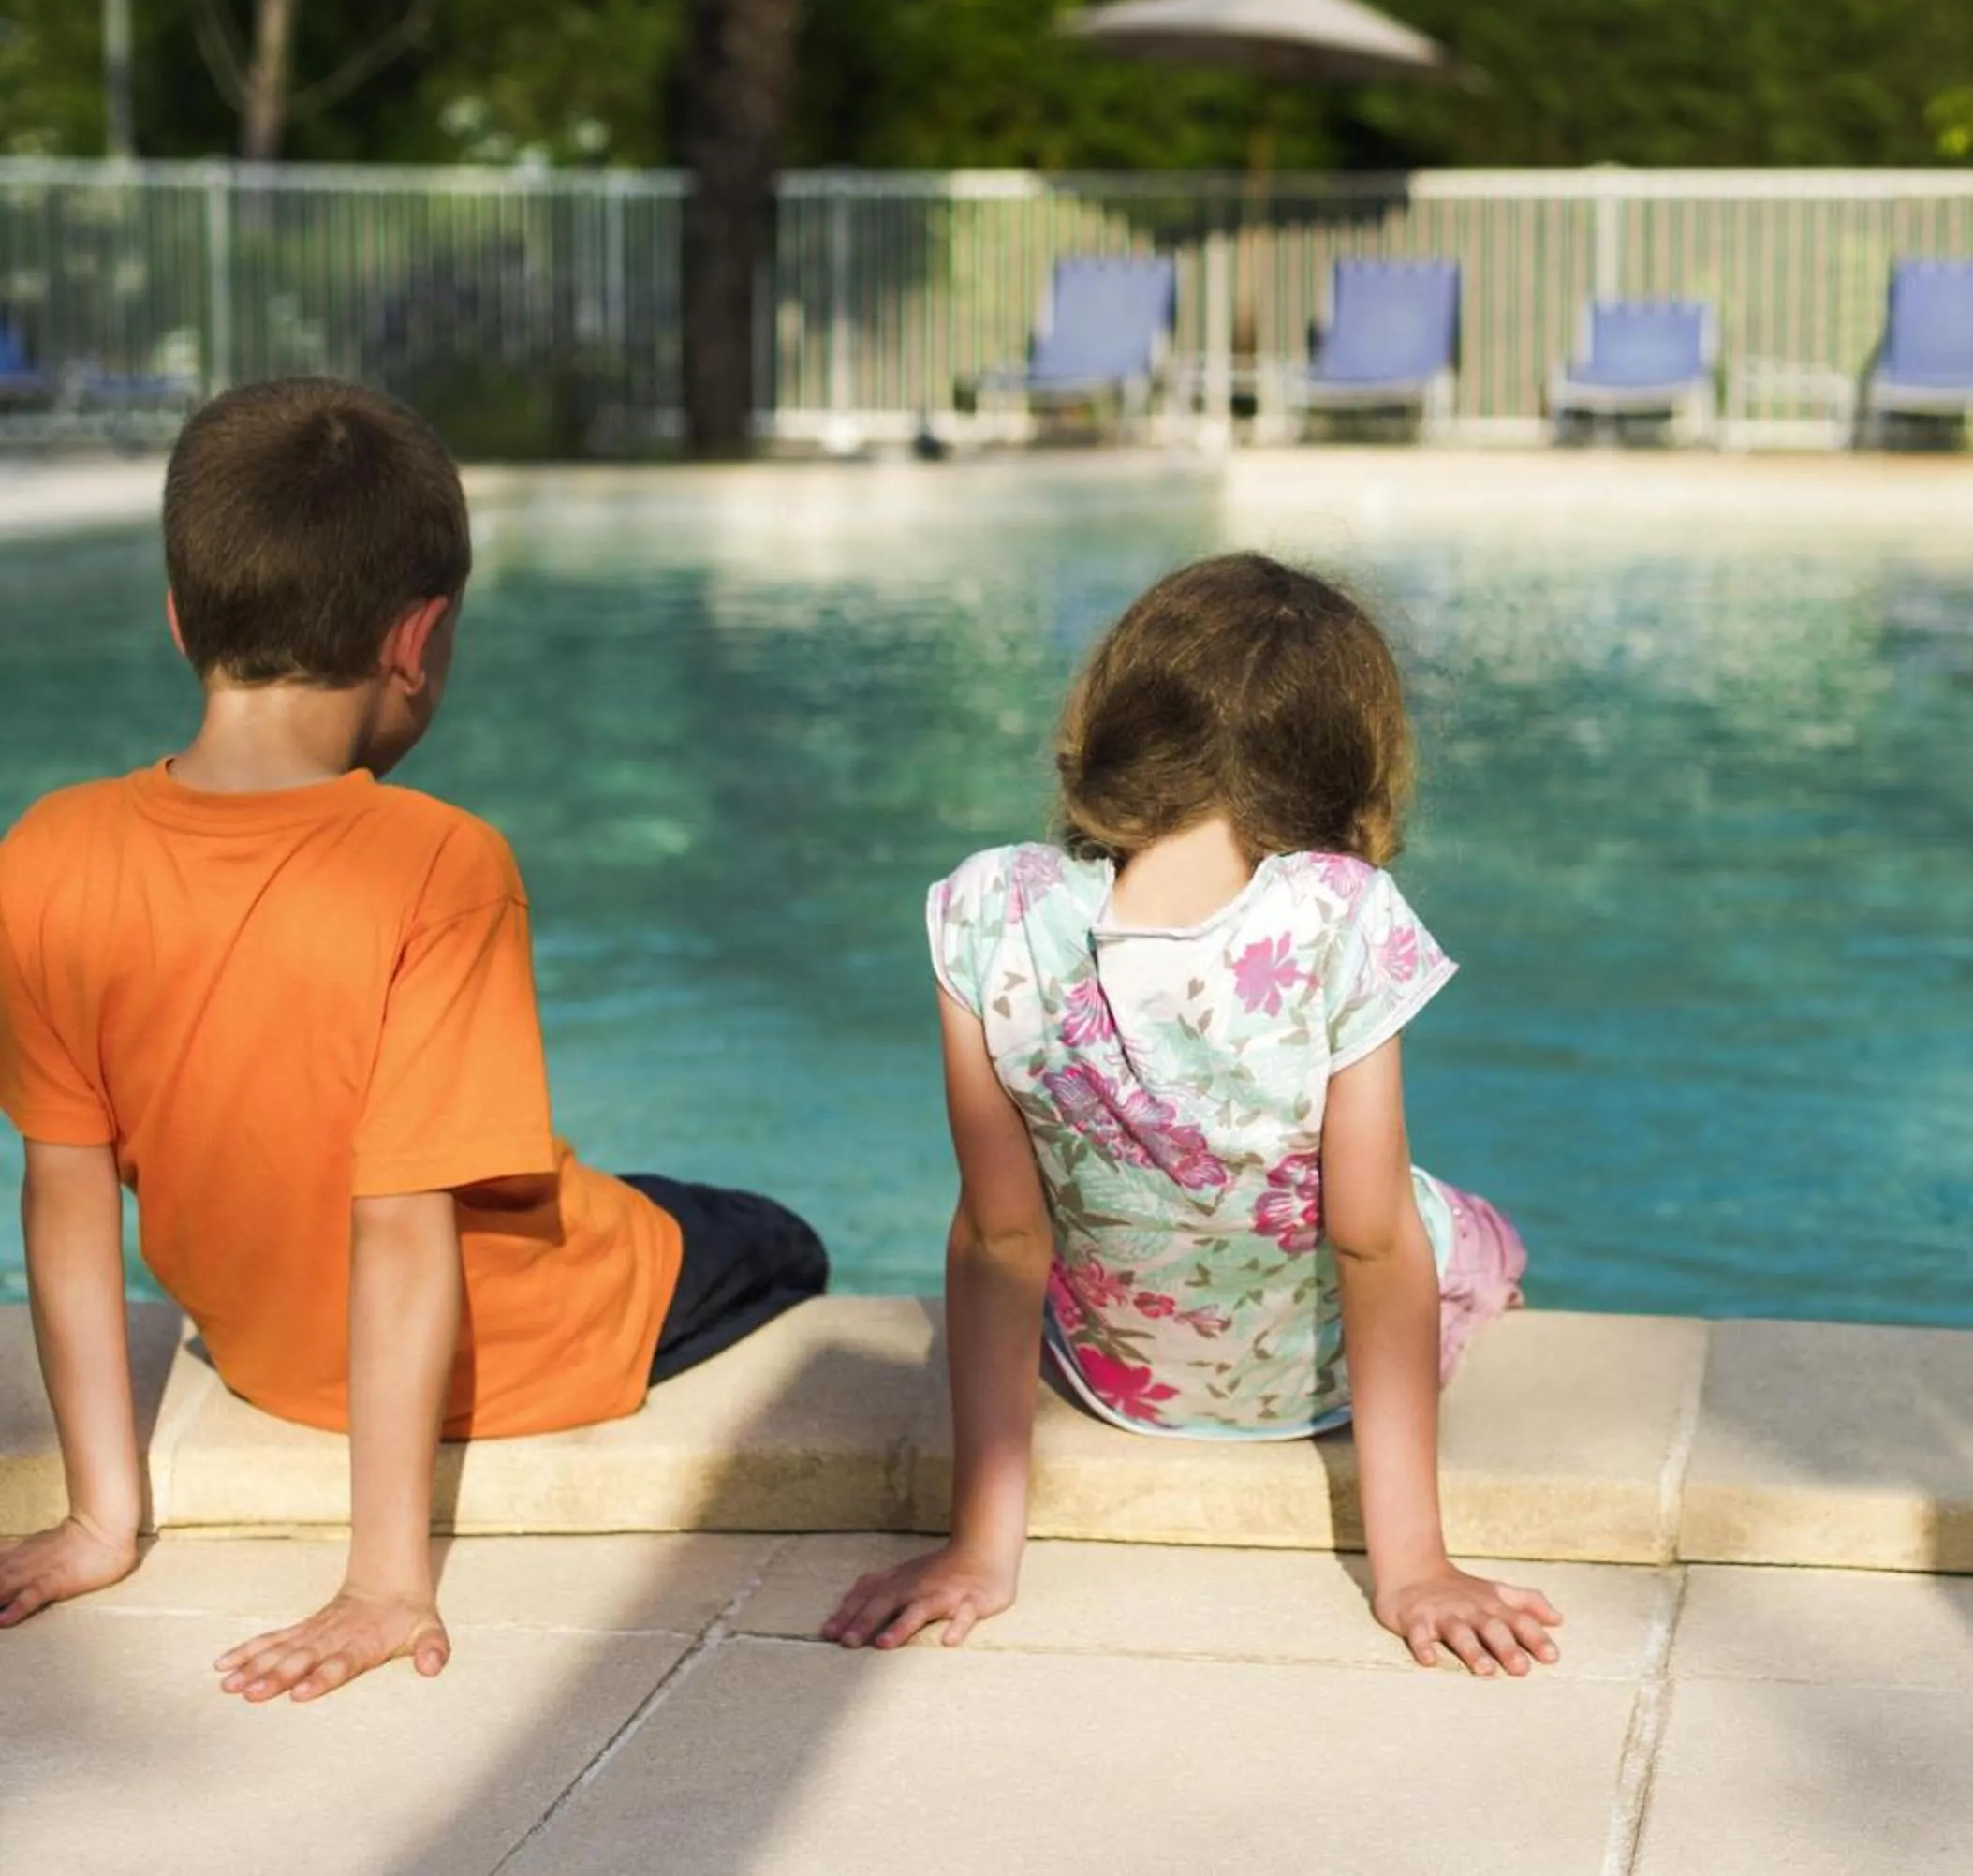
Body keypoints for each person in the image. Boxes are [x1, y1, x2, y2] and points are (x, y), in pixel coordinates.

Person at [0, 377, 828, 1702]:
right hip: (534, 1340)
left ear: (177, 619)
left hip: (268, 1353)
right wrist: (386, 1579)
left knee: (592, 1180)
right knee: (774, 1233)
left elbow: (61, 1191)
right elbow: (400, 1225)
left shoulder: (45, 852)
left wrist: (105, 1516)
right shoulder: (434, 861)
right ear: (419, 637)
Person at [826, 553, 1555, 1677]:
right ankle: (1500, 1274)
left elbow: (1002, 1234)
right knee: (1463, 1228)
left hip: (1115, 1375)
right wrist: (1412, 1566)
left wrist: (979, 1549)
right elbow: (1369, 1236)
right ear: (1341, 763)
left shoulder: (988, 909)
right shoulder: (1339, 916)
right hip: (1307, 1387)